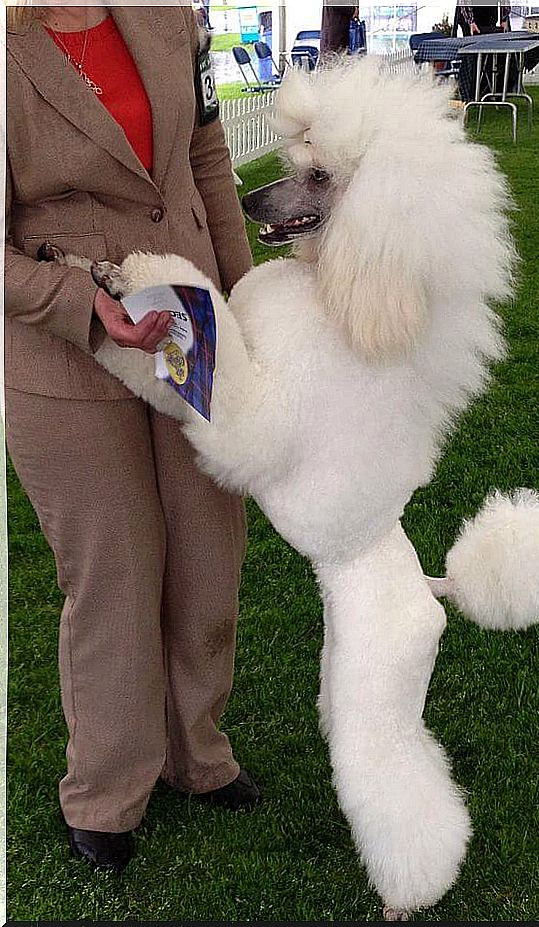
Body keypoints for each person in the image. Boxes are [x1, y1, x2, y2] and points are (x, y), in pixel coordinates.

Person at [5, 0, 258, 873]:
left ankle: (198, 752)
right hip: (64, 347)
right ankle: (107, 792)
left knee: (207, 550)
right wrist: (76, 305)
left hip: (193, 328)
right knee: (114, 567)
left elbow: (206, 159)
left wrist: (246, 305)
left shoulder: (168, 14)